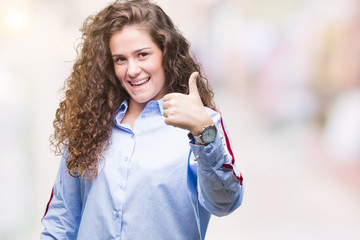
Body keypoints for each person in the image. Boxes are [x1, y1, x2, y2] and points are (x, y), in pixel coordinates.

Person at [41, 0, 244, 239]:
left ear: (165, 54)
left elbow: (225, 202)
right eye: (120, 59)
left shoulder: (202, 121)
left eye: (143, 54)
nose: (132, 69)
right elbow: (62, 216)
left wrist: (203, 134)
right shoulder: (91, 122)